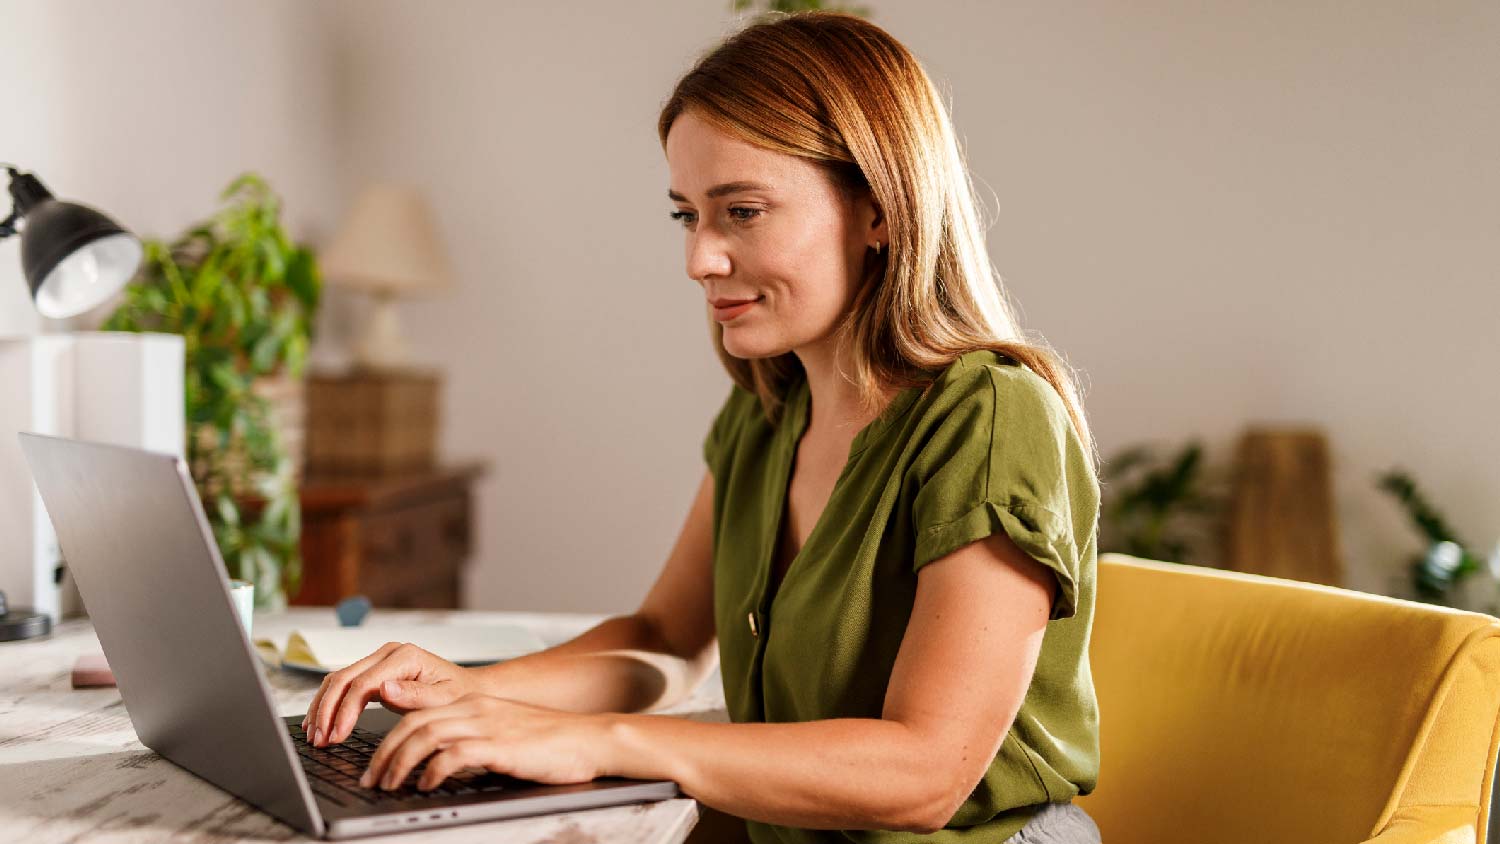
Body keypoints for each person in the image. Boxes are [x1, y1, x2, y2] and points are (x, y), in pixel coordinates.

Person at [302, 11, 1103, 843]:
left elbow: (925, 774)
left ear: (878, 211)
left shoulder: (992, 416)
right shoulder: (768, 408)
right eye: (687, 215)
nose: (700, 260)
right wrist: (473, 692)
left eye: (743, 212)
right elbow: (662, 640)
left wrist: (595, 741)